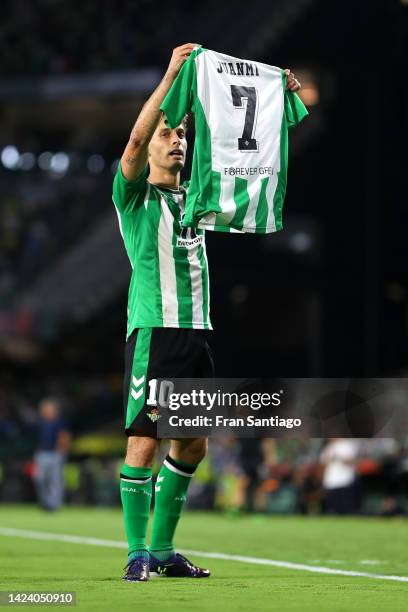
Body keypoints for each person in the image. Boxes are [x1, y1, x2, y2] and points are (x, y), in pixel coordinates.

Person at [112, 43, 301, 582]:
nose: (178, 141)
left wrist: (276, 106)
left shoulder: (198, 196)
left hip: (197, 333)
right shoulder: (135, 198)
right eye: (169, 135)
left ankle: (164, 551)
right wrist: (173, 72)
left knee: (193, 442)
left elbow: (253, 163)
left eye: (182, 135)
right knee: (144, 440)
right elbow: (132, 141)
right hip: (156, 331)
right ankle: (135, 553)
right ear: (150, 148)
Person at [33, 397, 71, 511]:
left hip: (54, 454)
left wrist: (62, 451)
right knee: (40, 479)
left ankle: (54, 505)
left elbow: (65, 437)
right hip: (41, 454)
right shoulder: (40, 423)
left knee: (55, 480)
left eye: (49, 409)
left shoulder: (60, 423)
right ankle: (45, 502)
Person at [319, 438, 360, 514]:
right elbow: (323, 462)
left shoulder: (347, 444)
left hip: (345, 481)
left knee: (346, 507)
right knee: (333, 508)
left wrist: (339, 457)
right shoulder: (329, 446)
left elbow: (352, 461)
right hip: (331, 482)